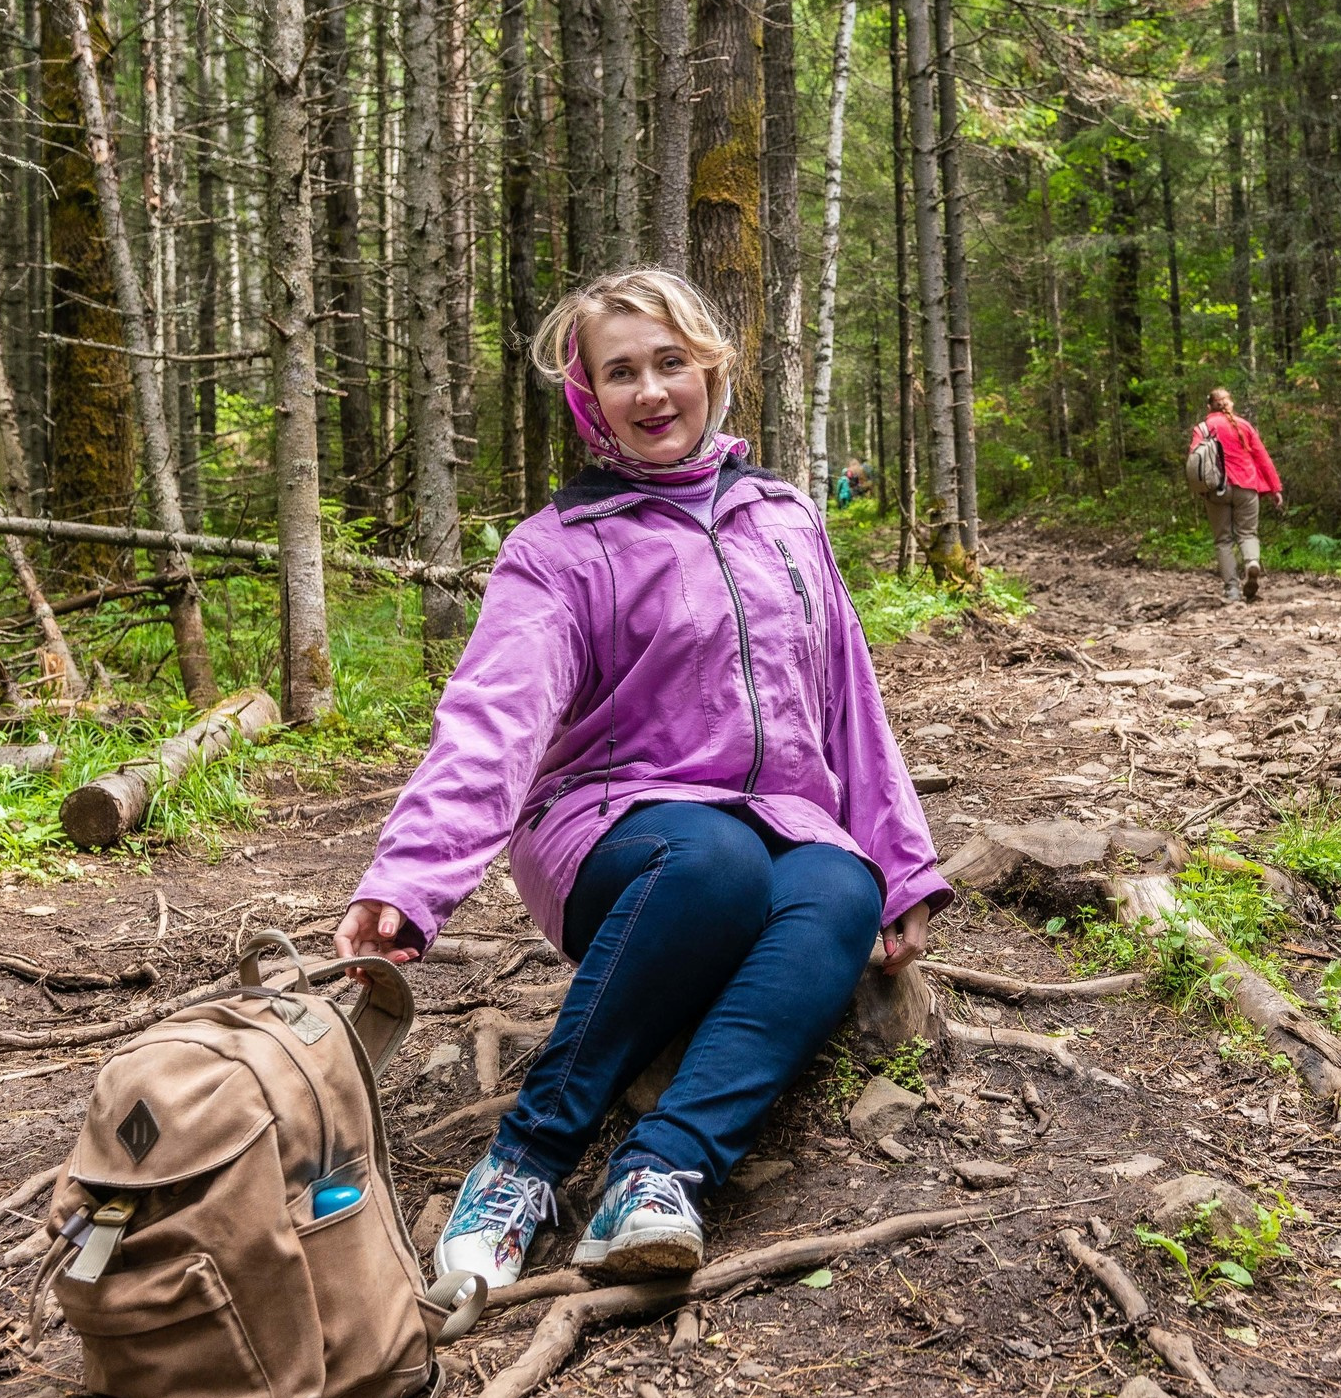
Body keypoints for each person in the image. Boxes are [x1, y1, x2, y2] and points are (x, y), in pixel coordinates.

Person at [335, 267, 947, 1291]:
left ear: (711, 370)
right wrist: (410, 880)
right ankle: (522, 1163)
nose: (652, 391)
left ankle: (660, 1173)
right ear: (589, 396)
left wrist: (901, 864)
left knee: (842, 885)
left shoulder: (786, 516)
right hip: (608, 825)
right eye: (621, 372)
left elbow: (849, 696)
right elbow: (493, 721)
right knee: (711, 861)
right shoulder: (559, 549)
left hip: (781, 816)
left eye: (671, 362)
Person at [1190, 387, 1284, 602]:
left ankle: (1232, 590)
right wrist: (1275, 488)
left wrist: (1200, 489)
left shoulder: (1202, 428)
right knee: (1248, 534)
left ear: (1209, 407)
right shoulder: (1244, 425)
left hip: (1216, 488)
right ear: (1230, 404)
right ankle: (1252, 563)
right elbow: (1262, 457)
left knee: (1223, 540)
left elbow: (1195, 461)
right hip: (1247, 485)